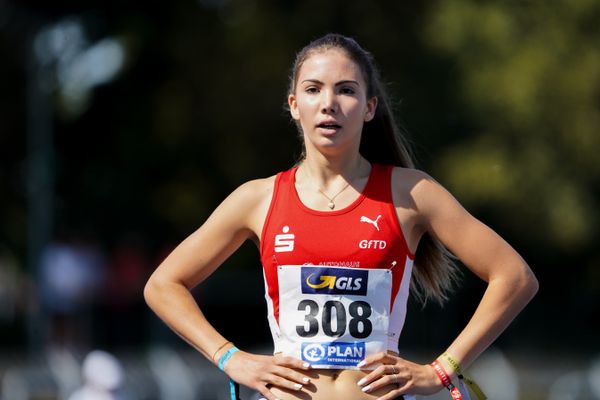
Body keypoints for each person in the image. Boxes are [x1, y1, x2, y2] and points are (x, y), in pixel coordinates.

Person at [144, 33, 538, 400]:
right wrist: (231, 358)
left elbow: (515, 277)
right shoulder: (257, 199)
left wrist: (442, 370)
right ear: (294, 105)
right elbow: (163, 285)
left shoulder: (411, 193)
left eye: (346, 90)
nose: (328, 103)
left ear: (369, 108)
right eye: (313, 90)